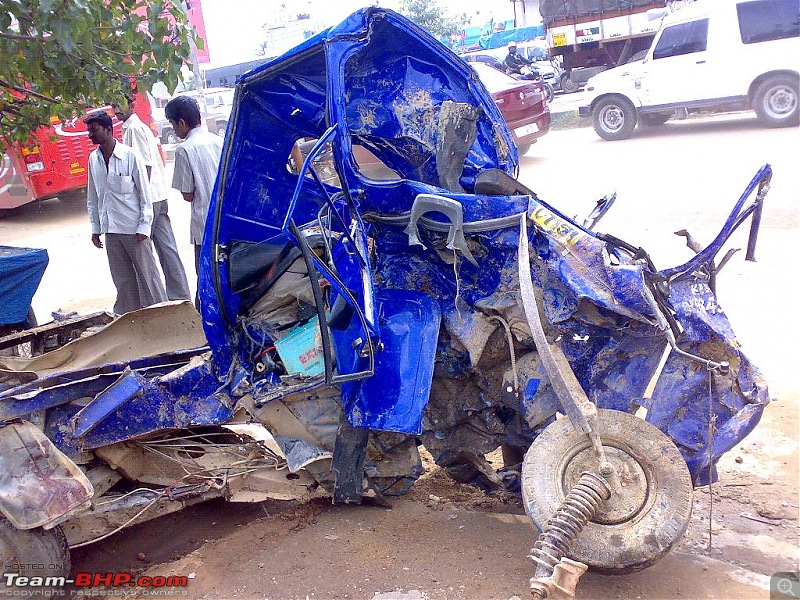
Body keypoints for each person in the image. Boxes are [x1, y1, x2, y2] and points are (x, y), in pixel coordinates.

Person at [84, 111, 167, 315]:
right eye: (89, 131)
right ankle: (130, 323)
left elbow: (144, 194)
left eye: (93, 130)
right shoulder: (93, 159)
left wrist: (144, 227)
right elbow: (93, 197)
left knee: (149, 279)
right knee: (123, 281)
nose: (90, 135)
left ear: (108, 130)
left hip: (134, 230)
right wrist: (96, 228)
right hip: (110, 231)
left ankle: (164, 318)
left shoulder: (130, 156)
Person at [112, 98, 191, 302]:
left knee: (144, 256)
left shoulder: (134, 129)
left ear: (130, 105)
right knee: (167, 250)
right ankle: (180, 297)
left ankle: (158, 302)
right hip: (158, 195)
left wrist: (139, 201)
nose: (115, 110)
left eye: (118, 104)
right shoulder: (137, 127)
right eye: (112, 106)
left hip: (149, 198)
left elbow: (144, 167)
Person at [164, 95, 223, 304]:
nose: (173, 130)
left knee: (206, 278)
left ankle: (204, 319)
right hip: (225, 222)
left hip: (204, 226)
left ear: (181, 122)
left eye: (172, 124)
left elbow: (187, 194)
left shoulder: (184, 150)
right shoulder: (219, 141)